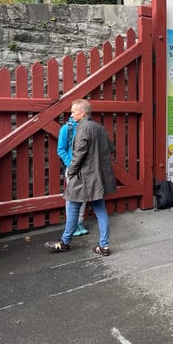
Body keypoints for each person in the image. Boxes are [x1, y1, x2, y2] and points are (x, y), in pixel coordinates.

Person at [44, 99, 116, 256]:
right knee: (100, 210)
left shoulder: (82, 129)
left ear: (82, 113)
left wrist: (71, 172)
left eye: (73, 112)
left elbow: (78, 155)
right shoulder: (100, 128)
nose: (71, 115)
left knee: (72, 207)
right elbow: (111, 148)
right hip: (98, 177)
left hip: (82, 176)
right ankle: (104, 246)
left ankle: (65, 243)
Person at [57, 116, 89, 236]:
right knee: (72, 197)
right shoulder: (66, 128)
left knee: (84, 196)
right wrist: (70, 164)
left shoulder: (87, 127)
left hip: (85, 168)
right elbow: (61, 149)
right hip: (73, 169)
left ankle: (79, 222)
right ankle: (71, 225)